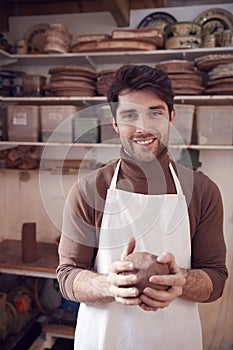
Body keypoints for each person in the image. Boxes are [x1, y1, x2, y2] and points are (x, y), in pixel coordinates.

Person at [57, 64, 228, 350]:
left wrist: (181, 281)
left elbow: (216, 278)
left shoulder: (202, 191)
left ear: (172, 116)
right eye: (129, 115)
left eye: (155, 112)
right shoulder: (89, 191)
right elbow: (67, 276)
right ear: (115, 124)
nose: (143, 127)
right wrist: (109, 285)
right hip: (103, 341)